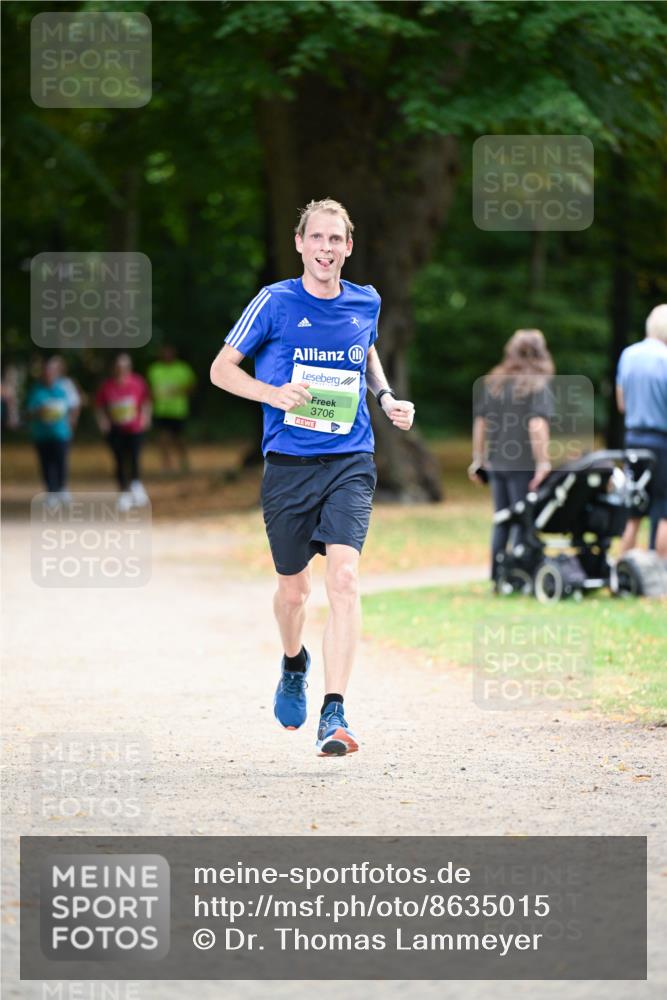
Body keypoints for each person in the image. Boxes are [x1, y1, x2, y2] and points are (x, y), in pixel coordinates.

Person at [210, 198, 415, 757]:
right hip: (288, 467)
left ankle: (335, 713)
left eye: (336, 240)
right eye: (316, 238)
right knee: (294, 592)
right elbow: (221, 369)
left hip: (351, 459)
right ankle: (293, 661)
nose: (326, 249)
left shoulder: (364, 301)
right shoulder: (274, 302)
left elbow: (365, 351)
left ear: (349, 247)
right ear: (300, 243)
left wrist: (387, 396)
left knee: (344, 580)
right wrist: (272, 394)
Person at [469, 329, 555, 588]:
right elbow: (537, 425)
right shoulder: (538, 383)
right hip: (523, 464)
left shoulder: (495, 381)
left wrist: (478, 459)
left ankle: (498, 576)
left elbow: (480, 423)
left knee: (502, 519)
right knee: (522, 518)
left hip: (497, 462)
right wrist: (543, 462)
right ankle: (518, 576)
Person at [616, 303, 667, 557]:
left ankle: (623, 570)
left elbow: (621, 402)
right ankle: (660, 573)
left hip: (633, 439)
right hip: (662, 442)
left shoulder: (628, 355)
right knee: (664, 509)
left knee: (633, 509)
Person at [95, 353, 152, 512]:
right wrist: (103, 422)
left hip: (134, 428)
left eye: (124, 366)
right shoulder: (107, 386)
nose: (121, 369)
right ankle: (124, 492)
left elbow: (146, 401)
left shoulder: (137, 383)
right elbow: (99, 406)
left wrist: (145, 418)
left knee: (134, 457)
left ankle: (136, 485)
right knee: (119, 460)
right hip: (115, 430)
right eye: (119, 367)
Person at [25, 356, 75, 507]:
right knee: (46, 464)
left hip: (61, 433)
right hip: (42, 434)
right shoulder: (36, 391)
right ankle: (51, 491)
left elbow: (71, 407)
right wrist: (39, 411)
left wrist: (71, 422)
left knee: (61, 462)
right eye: (46, 372)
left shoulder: (62, 389)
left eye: (51, 372)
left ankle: (62, 488)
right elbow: (29, 412)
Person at [147, 345, 197, 473]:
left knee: (179, 439)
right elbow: (149, 389)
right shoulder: (154, 370)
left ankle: (184, 462)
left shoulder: (182, 368)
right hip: (161, 410)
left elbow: (192, 386)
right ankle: (166, 464)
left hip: (178, 411)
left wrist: (178, 391)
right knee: (163, 439)